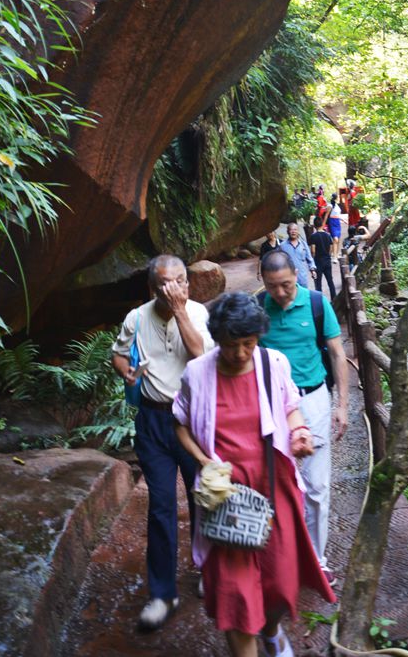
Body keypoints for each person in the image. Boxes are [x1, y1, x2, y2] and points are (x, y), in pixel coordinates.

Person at [173, 292, 336, 657]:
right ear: (217, 340)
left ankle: (273, 630)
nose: (241, 353)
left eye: (249, 343)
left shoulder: (273, 363)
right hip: (226, 498)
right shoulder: (197, 373)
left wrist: (299, 432)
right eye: (232, 345)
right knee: (235, 597)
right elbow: (180, 424)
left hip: (274, 488)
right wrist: (204, 460)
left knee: (280, 584)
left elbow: (291, 407)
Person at [111, 255, 214, 631]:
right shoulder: (136, 318)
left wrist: (180, 311)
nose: (170, 290)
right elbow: (118, 355)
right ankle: (162, 593)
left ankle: (208, 570)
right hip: (153, 420)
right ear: (151, 288)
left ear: (186, 284)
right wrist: (128, 373)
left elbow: (200, 354)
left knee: (203, 497)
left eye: (177, 283)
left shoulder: (200, 315)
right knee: (161, 507)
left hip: (193, 419)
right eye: (162, 285)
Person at [259, 250, 348, 581]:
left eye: (285, 284)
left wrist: (341, 405)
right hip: (270, 406)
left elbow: (338, 354)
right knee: (273, 484)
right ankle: (279, 557)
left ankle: (317, 560)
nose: (280, 293)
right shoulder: (256, 307)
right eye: (272, 286)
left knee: (316, 486)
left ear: (296, 274)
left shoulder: (315, 303)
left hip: (312, 399)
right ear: (262, 282)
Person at [279, 221, 315, 288]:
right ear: (287, 232)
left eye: (295, 229)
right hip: (289, 279)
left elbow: (309, 258)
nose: (293, 231)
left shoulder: (303, 244)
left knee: (303, 296)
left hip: (302, 277)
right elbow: (278, 262)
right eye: (291, 230)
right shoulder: (282, 246)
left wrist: (312, 270)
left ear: (298, 231)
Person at [309, 216, 336, 300]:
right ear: (322, 224)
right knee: (330, 281)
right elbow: (331, 248)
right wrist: (328, 255)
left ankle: (319, 301)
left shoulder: (313, 236)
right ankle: (334, 299)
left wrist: (313, 258)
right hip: (327, 260)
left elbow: (313, 250)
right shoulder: (328, 235)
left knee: (318, 283)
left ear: (314, 225)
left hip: (318, 261)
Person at [325, 194, 343, 261]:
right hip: (332, 222)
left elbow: (337, 215)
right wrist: (323, 224)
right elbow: (326, 215)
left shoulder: (337, 206)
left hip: (337, 222)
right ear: (336, 198)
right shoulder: (330, 205)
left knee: (338, 238)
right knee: (335, 239)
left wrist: (343, 220)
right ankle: (334, 257)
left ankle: (336, 254)